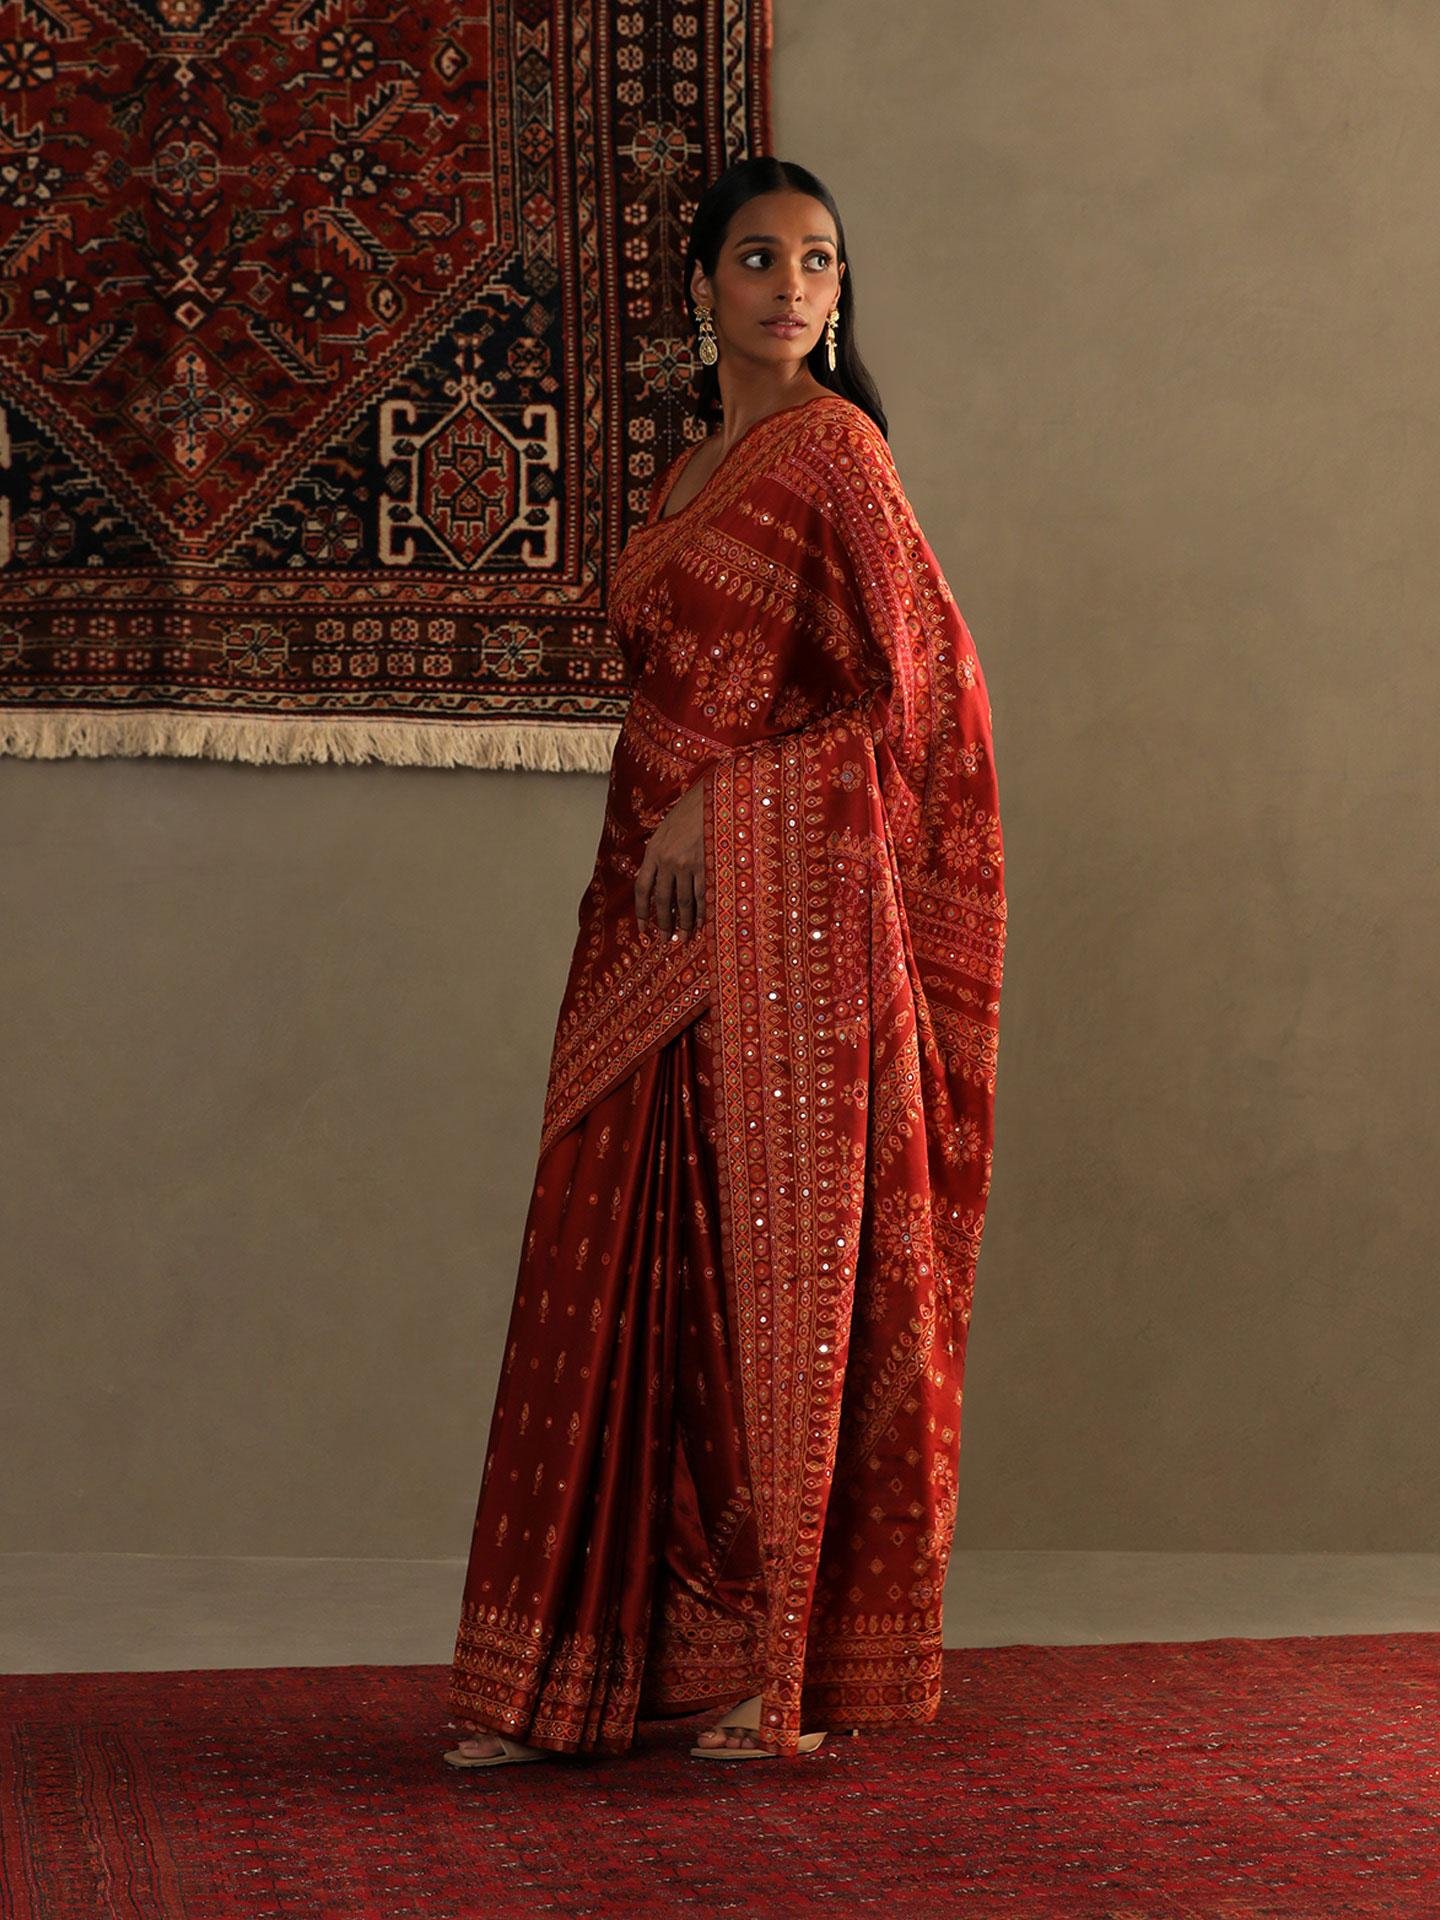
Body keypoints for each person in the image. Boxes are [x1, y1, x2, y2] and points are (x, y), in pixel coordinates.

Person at [443, 155, 1006, 1766]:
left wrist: (728, 801)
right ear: (702, 286)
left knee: (786, 1267)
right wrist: (671, 821)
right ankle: (578, 1678)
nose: (791, 286)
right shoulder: (690, 467)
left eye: (818, 261)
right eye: (758, 258)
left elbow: (912, 697)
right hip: (645, 904)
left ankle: (781, 1670)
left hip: (793, 907)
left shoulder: (839, 453)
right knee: (628, 1263)